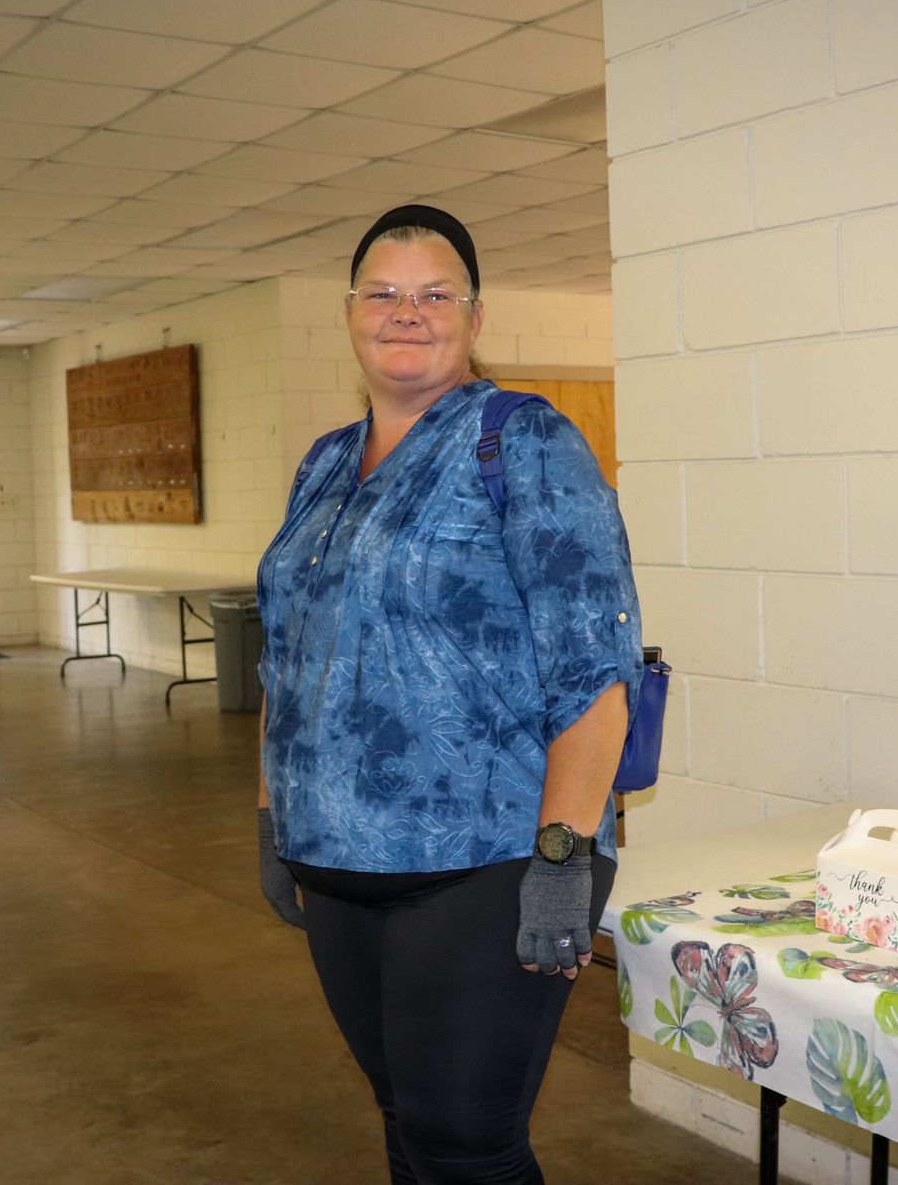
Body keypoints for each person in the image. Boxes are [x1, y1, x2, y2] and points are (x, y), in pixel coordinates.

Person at [254, 203, 643, 1184]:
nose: (407, 312)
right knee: (406, 1123)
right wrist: (270, 812)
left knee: (466, 1145)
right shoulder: (323, 464)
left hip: (488, 859)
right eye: (384, 293)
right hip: (336, 859)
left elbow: (597, 669)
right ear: (350, 312)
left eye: (435, 294)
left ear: (475, 317)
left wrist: (562, 856)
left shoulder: (523, 440)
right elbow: (290, 650)